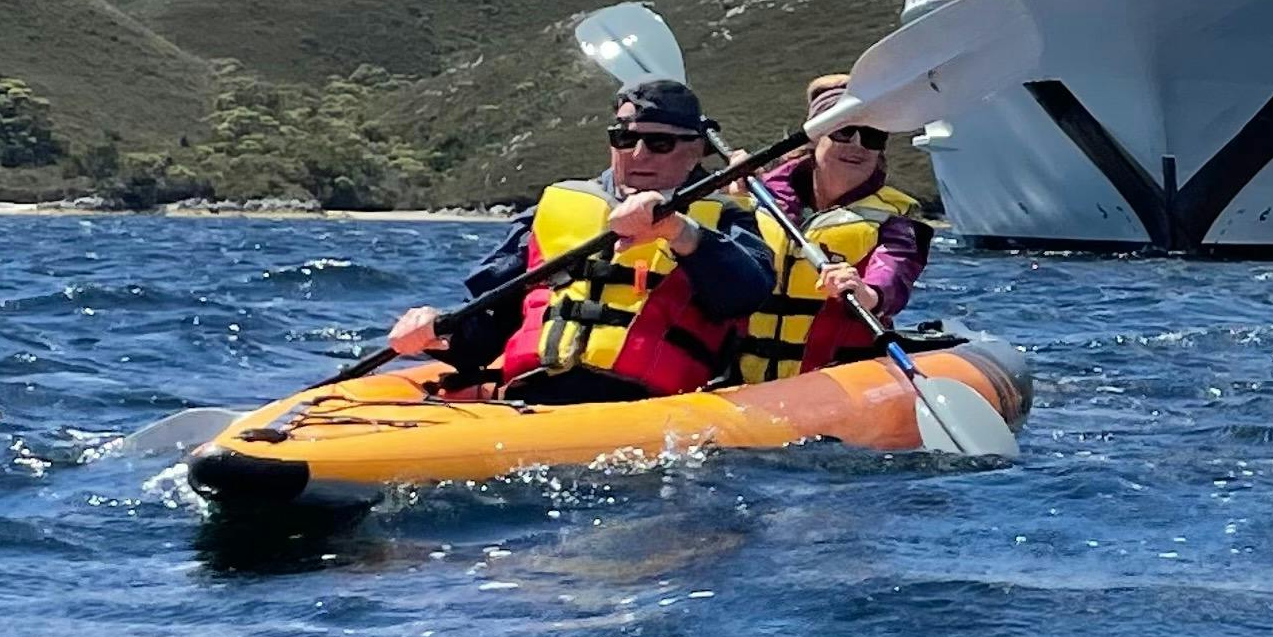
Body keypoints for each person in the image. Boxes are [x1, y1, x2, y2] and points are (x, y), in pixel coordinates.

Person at [383, 78, 772, 403]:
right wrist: (439, 332)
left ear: (695, 152)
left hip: (650, 409)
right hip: (532, 399)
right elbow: (489, 327)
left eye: (659, 144)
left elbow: (746, 293)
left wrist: (678, 232)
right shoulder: (554, 209)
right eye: (624, 138)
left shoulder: (724, 217)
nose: (638, 154)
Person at [735, 74, 933, 382]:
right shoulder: (755, 195)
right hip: (739, 375)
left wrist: (869, 294)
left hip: (835, 379)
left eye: (872, 137)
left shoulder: (897, 217)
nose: (858, 145)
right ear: (816, 137)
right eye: (844, 132)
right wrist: (730, 200)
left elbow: (896, 272)